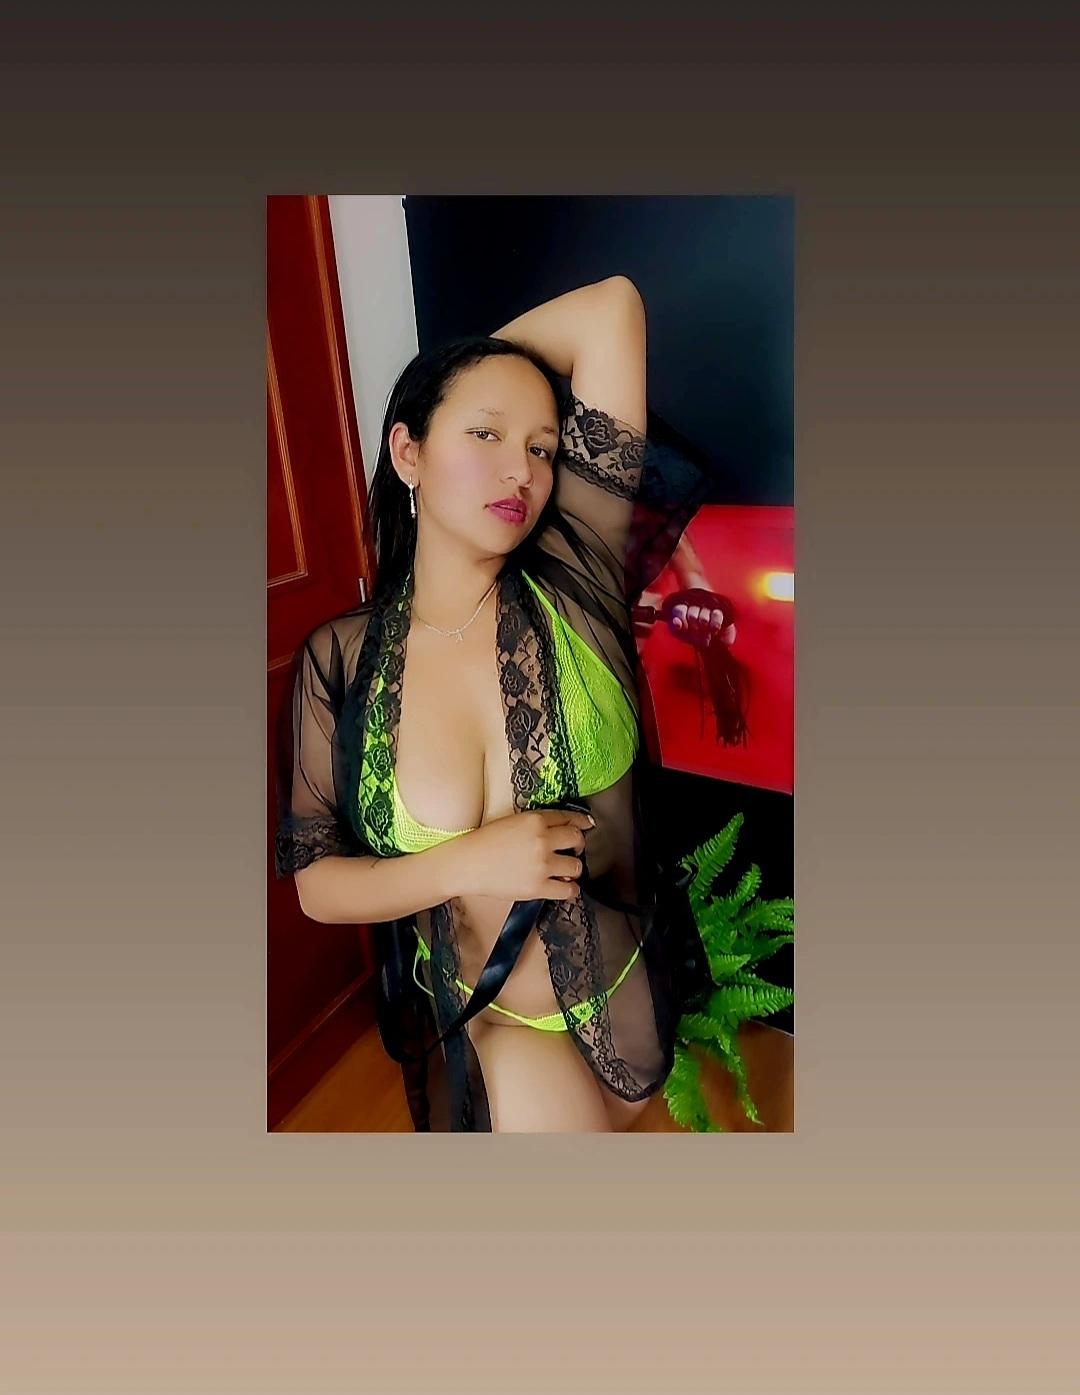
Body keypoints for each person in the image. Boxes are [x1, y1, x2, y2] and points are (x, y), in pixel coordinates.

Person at [274, 276, 733, 1131]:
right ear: (407, 452)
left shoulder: (578, 581)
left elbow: (613, 308)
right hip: (498, 1019)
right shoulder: (342, 660)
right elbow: (317, 883)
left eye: (543, 447)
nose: (521, 470)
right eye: (484, 433)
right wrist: (469, 861)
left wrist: (470, 376)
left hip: (626, 997)